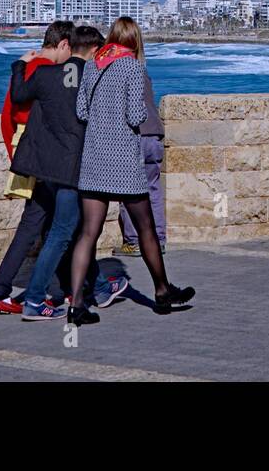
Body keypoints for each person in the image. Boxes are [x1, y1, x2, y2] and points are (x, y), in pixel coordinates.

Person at [68, 17, 194, 325]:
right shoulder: (132, 67)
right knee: (146, 229)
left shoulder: (94, 65)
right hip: (123, 162)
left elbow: (81, 111)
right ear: (135, 41)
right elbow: (136, 114)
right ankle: (162, 291)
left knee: (88, 234)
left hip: (94, 160)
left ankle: (76, 306)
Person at [11, 25, 129, 321]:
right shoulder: (94, 77)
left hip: (48, 168)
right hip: (76, 168)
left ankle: (101, 288)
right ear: (91, 50)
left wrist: (20, 65)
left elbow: (18, 95)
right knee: (63, 232)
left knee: (76, 231)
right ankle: (35, 299)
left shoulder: (44, 74)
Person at [0, 20, 74, 314]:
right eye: (68, 50)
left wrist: (15, 155)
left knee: (42, 222)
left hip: (30, 153)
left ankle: (7, 291)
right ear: (62, 44)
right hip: (42, 155)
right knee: (52, 224)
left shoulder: (30, 66)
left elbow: (7, 114)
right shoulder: (44, 71)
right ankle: (68, 288)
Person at [113, 43, 167, 258]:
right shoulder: (141, 70)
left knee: (129, 192)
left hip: (135, 135)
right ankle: (159, 239)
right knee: (153, 189)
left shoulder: (118, 71)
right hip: (154, 133)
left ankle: (134, 241)